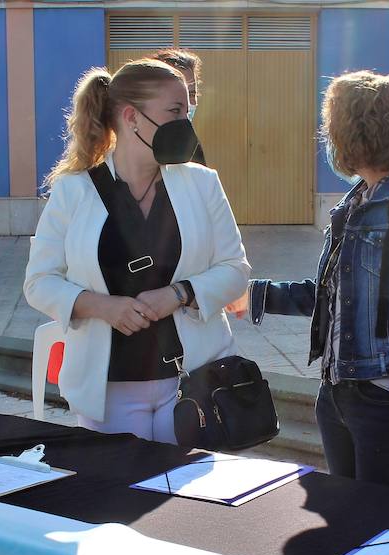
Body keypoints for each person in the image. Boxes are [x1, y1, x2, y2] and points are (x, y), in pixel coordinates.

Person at [248, 71, 389, 490]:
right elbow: (333, 297)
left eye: (332, 126)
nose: (328, 138)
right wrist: (255, 295)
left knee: (380, 520)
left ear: (355, 133)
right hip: (337, 394)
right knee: (347, 516)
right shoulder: (352, 205)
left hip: (386, 401)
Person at [25, 60, 251, 443]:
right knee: (120, 482)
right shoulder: (73, 191)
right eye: (174, 111)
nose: (186, 123)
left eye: (188, 111)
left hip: (194, 384)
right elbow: (39, 282)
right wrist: (102, 307)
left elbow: (235, 269)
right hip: (108, 391)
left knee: (186, 484)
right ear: (132, 117)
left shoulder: (203, 183)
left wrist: (179, 294)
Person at [148, 49, 207, 165]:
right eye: (176, 94)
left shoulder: (190, 145)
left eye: (191, 94)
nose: (187, 104)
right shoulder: (139, 147)